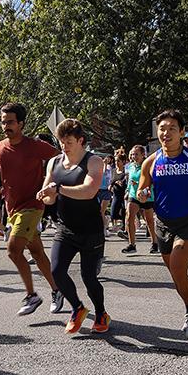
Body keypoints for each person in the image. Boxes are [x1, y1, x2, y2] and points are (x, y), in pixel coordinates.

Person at [138, 110, 188, 339]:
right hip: (163, 223)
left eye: (172, 128)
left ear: (181, 132)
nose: (166, 133)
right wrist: (142, 193)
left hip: (187, 222)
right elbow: (142, 189)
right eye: (162, 128)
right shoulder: (151, 162)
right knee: (176, 274)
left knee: (179, 268)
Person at [0, 102, 62, 316]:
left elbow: (60, 160)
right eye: (3, 122)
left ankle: (31, 295)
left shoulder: (35, 146)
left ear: (21, 123)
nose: (5, 126)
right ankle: (58, 290)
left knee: (13, 250)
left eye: (10, 122)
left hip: (33, 205)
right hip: (13, 209)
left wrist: (51, 184)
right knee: (37, 253)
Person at [38, 119, 110, 335]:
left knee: (89, 278)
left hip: (90, 230)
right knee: (56, 271)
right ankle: (77, 308)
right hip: (65, 228)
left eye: (69, 142)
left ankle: (100, 313)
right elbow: (49, 200)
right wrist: (44, 195)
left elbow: (89, 191)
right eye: (61, 142)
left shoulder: (94, 161)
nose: (64, 147)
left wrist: (58, 189)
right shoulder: (54, 163)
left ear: (81, 141)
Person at [123, 144, 158, 254]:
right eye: (132, 154)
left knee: (149, 221)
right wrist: (128, 190)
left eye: (136, 154)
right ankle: (132, 244)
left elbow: (152, 180)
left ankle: (155, 243)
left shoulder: (147, 165)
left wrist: (140, 185)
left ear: (143, 155)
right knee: (129, 217)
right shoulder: (130, 166)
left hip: (147, 195)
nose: (134, 156)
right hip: (133, 195)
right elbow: (129, 180)